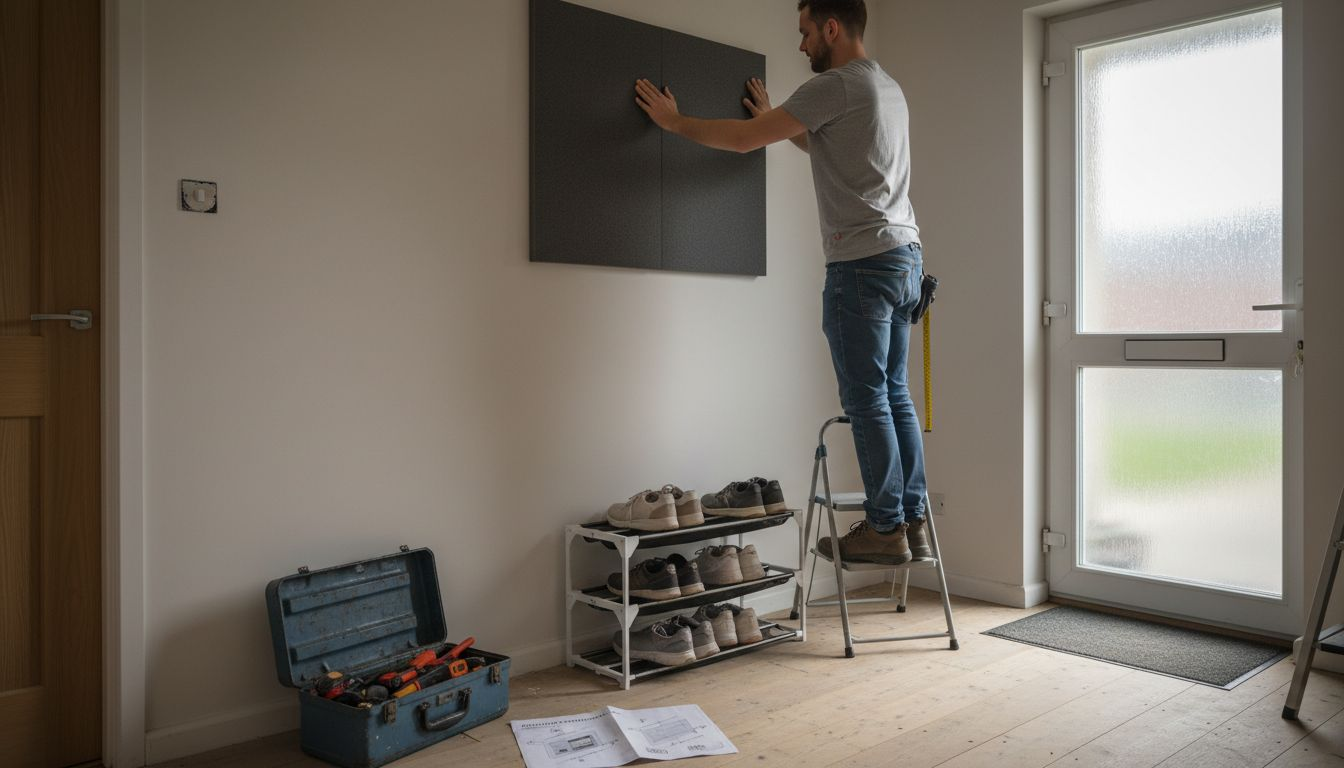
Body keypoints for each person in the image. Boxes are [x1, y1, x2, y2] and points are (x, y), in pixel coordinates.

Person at [635, 0, 928, 565]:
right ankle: (910, 521)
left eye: (805, 32)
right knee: (894, 396)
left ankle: (885, 527)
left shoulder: (835, 85)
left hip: (862, 266)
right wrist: (777, 118)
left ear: (832, 27)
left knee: (867, 400)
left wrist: (675, 123)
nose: (800, 45)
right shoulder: (886, 87)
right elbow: (828, 144)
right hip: (904, 258)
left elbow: (745, 141)